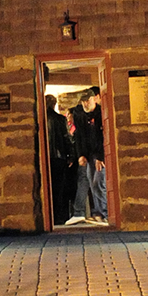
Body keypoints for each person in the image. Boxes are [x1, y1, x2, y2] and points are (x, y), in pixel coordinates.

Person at [72, 89, 107, 224]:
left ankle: (104, 213)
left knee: (99, 181)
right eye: (83, 101)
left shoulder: (100, 114)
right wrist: (80, 154)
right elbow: (79, 136)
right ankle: (98, 212)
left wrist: (100, 156)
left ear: (95, 99)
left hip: (99, 154)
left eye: (88, 100)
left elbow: (102, 136)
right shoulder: (79, 115)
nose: (86, 103)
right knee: (92, 183)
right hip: (89, 153)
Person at [45, 92, 76, 226]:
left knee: (47, 187)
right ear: (54, 104)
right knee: (60, 188)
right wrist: (71, 155)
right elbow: (65, 138)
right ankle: (59, 216)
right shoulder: (59, 119)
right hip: (58, 157)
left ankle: (47, 215)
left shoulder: (40, 118)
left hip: (46, 158)